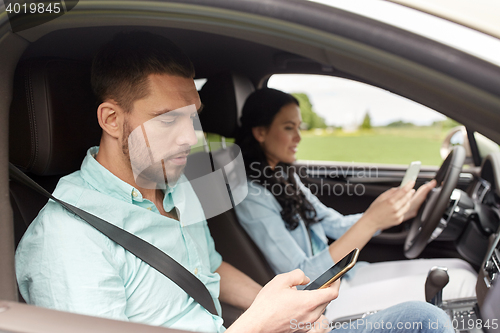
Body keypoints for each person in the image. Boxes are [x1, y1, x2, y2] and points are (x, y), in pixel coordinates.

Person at [15, 31, 453, 333]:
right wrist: (260, 322)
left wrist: (284, 309)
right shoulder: (67, 239)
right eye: (168, 120)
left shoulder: (175, 185)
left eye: (194, 117)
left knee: (422, 318)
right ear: (112, 119)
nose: (191, 139)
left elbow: (208, 267)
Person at [233, 88, 478, 320]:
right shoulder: (251, 196)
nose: (298, 137)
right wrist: (371, 221)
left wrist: (401, 212)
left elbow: (335, 223)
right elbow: (304, 278)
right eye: (289, 128)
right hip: (322, 302)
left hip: (344, 277)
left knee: (460, 267)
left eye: (299, 127)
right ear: (260, 132)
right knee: (464, 283)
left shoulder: (286, 176)